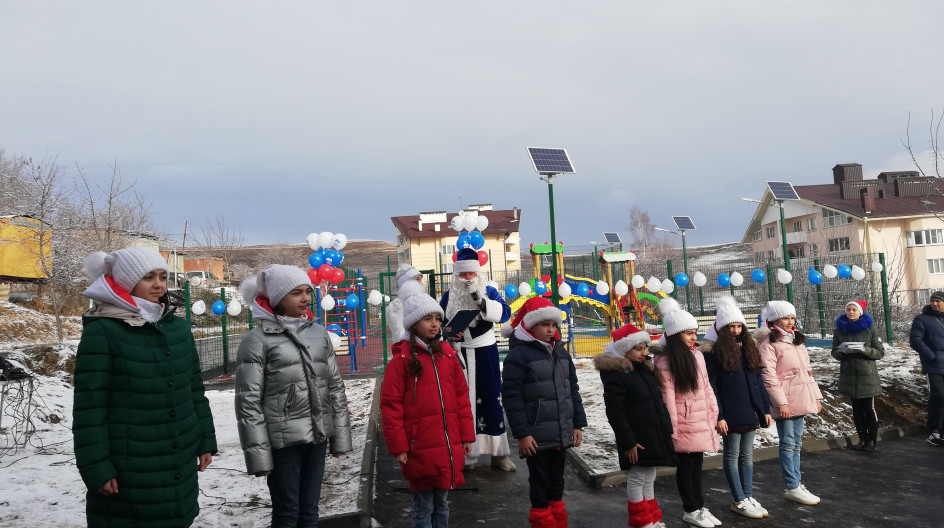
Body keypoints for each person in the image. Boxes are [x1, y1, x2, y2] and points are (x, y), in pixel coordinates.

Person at [73, 247, 217, 528]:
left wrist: (204, 440)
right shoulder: (103, 331)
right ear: (126, 281)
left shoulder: (176, 328)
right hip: (130, 466)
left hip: (179, 460)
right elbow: (90, 408)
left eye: (163, 276)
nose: (158, 284)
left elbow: (194, 391)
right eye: (148, 277)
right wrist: (96, 467)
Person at [234, 265, 353, 528]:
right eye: (296, 293)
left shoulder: (318, 334)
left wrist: (340, 438)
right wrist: (258, 455)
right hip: (283, 444)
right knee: (287, 513)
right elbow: (248, 401)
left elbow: (334, 386)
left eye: (308, 292)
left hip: (317, 438)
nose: (306, 298)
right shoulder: (257, 340)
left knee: (310, 511)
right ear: (278, 298)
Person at [380, 284, 475, 528]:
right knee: (424, 506)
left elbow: (461, 398)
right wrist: (399, 447)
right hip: (418, 447)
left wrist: (466, 436)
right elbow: (390, 407)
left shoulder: (448, 355)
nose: (434, 324)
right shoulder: (401, 362)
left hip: (447, 446)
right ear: (413, 324)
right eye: (427, 319)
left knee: (442, 504)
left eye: (437, 319)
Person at [501, 296, 587, 528]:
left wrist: (577, 424)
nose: (551, 330)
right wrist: (523, 434)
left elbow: (572, 390)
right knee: (540, 482)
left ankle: (557, 520)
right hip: (536, 436)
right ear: (531, 326)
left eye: (553, 325)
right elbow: (512, 397)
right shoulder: (519, 356)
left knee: (557, 482)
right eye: (545, 325)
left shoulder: (561, 353)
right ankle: (542, 520)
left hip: (561, 431)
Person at [594, 322, 676, 528]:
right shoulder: (617, 376)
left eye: (644, 348)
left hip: (652, 433)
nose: (643, 353)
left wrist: (665, 429)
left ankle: (651, 517)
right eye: (638, 349)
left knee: (649, 476)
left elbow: (656, 403)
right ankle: (640, 520)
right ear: (624, 350)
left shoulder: (644, 370)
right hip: (636, 438)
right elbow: (615, 412)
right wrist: (628, 441)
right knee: (638, 477)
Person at [440, 248, 514, 470]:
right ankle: (467, 456)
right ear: (456, 276)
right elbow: (438, 323)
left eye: (471, 273)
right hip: (459, 352)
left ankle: (498, 454)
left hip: (485, 351)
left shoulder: (489, 291)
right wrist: (448, 334)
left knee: (491, 398)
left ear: (478, 274)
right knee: (462, 402)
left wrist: (482, 302)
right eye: (463, 274)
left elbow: (505, 313)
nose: (467, 278)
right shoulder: (449, 296)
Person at [651, 298, 721, 528]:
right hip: (683, 421)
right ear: (674, 335)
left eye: (695, 333)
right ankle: (690, 509)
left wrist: (713, 412)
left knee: (696, 464)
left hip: (700, 419)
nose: (693, 337)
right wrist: (672, 428)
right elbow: (667, 397)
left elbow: (706, 387)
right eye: (688, 333)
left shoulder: (696, 355)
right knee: (686, 466)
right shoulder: (666, 360)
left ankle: (699, 506)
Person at [702, 296, 772, 519]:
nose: (735, 330)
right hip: (730, 413)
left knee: (747, 457)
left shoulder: (749, 349)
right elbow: (712, 387)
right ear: (722, 329)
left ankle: (748, 495)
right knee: (732, 455)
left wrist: (765, 409)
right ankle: (738, 498)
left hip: (749, 411)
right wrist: (719, 416)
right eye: (730, 327)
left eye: (739, 326)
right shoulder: (713, 353)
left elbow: (758, 382)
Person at [756, 300, 822, 506]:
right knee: (787, 443)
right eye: (785, 318)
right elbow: (768, 376)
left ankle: (797, 483)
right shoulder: (768, 344)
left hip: (801, 397)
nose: (790, 321)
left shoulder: (796, 340)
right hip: (785, 401)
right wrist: (780, 403)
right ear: (774, 320)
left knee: (796, 443)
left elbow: (807, 372)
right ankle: (792, 486)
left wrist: (816, 397)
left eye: (792, 317)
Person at [831, 300, 884, 452]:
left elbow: (879, 352)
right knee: (856, 409)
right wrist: (843, 351)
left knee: (868, 409)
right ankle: (862, 438)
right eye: (848, 309)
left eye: (854, 309)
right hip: (849, 376)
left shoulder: (870, 329)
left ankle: (872, 440)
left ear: (860, 312)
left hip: (867, 376)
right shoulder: (839, 330)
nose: (851, 312)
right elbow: (834, 352)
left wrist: (864, 350)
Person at [909, 290, 944, 446]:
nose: (935, 304)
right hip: (934, 365)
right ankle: (934, 430)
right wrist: (931, 356)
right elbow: (915, 340)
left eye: (938, 301)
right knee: (939, 396)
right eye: (932, 301)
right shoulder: (922, 319)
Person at [386, 264, 425, 339]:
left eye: (420, 280)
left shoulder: (420, 301)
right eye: (417, 279)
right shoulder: (397, 306)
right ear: (407, 282)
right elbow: (401, 336)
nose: (421, 283)